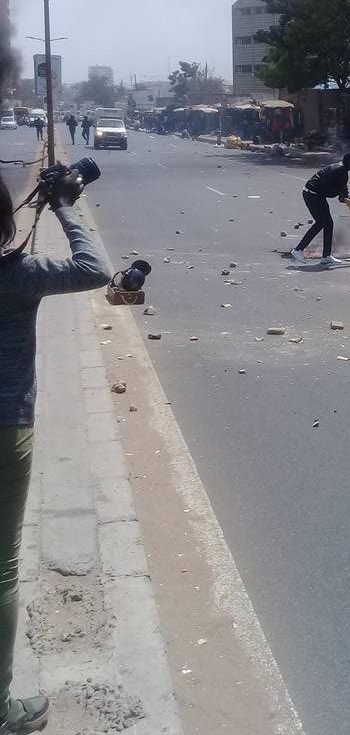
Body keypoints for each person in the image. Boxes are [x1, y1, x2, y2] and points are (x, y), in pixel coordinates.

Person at [0, 169, 111, 733]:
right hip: (4, 427)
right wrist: (65, 205)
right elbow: (96, 271)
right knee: (1, 570)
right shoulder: (18, 275)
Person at [291, 153, 350, 266]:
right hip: (312, 194)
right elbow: (325, 185)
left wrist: (345, 196)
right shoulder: (339, 170)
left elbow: (342, 185)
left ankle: (326, 256)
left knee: (328, 223)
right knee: (321, 222)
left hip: (316, 194)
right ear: (349, 163)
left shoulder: (342, 170)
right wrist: (338, 195)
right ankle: (298, 250)